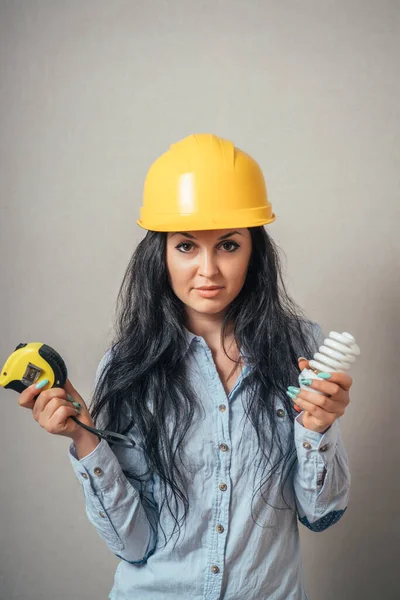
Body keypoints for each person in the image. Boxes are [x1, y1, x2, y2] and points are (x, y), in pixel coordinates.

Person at [18, 134, 352, 600]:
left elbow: (321, 514)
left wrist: (318, 429)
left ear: (255, 250)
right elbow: (134, 546)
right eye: (187, 247)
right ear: (161, 253)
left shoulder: (301, 351)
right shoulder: (127, 365)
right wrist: (85, 438)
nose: (208, 271)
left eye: (229, 246)